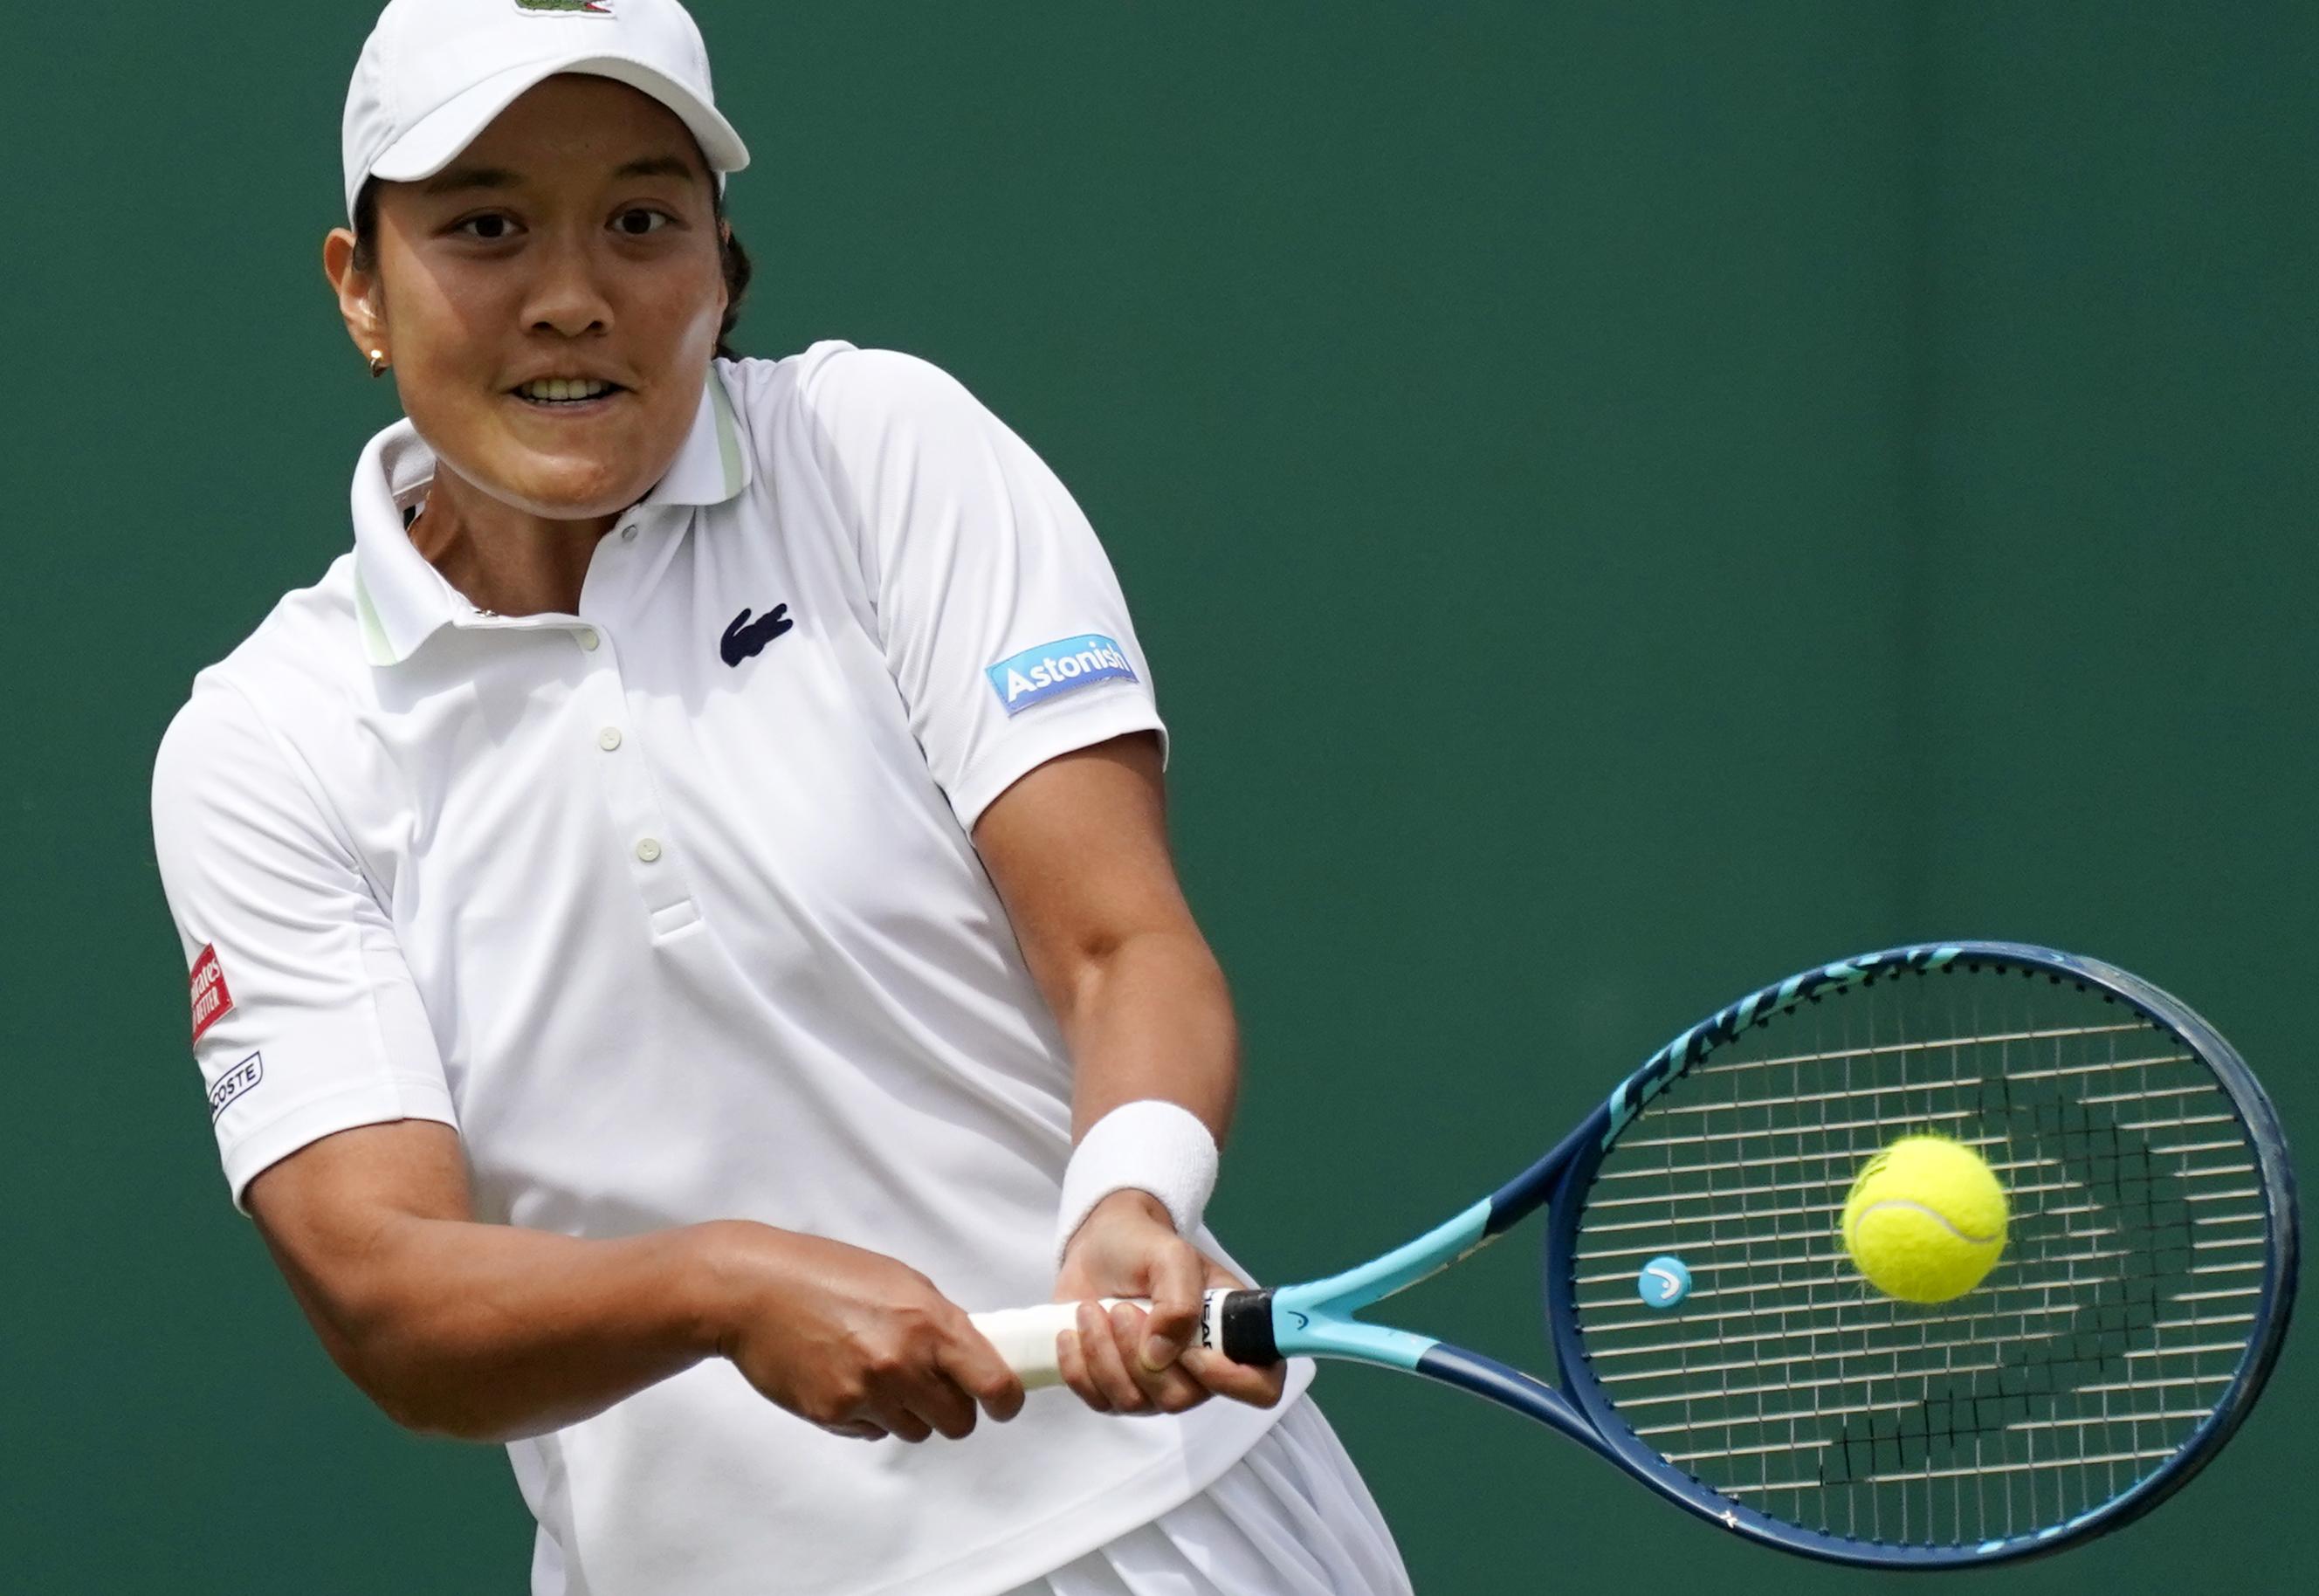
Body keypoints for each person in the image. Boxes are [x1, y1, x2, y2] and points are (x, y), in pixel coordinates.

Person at [148, 3, 1413, 1593]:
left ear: (723, 266)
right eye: (484, 228)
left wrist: (1128, 1195)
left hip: (1163, 1535)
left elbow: (1120, 946)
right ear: (360, 291)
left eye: (640, 220)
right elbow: (387, 1295)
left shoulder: (883, 453)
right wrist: (720, 1288)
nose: (570, 298)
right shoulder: (266, 740)